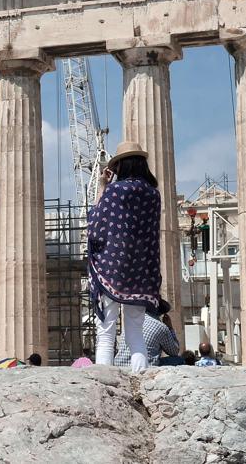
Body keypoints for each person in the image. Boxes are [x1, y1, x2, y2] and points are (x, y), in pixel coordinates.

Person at [87, 141, 165, 373]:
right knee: (135, 330)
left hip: (112, 267)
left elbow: (95, 224)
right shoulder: (153, 194)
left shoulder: (115, 191)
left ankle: (103, 377)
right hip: (142, 269)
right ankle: (140, 374)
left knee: (106, 328)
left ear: (120, 166)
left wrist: (102, 186)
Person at [113, 313, 183, 367]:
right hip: (145, 365)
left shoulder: (130, 322)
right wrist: (170, 328)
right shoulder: (160, 326)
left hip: (120, 363)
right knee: (179, 360)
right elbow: (174, 351)